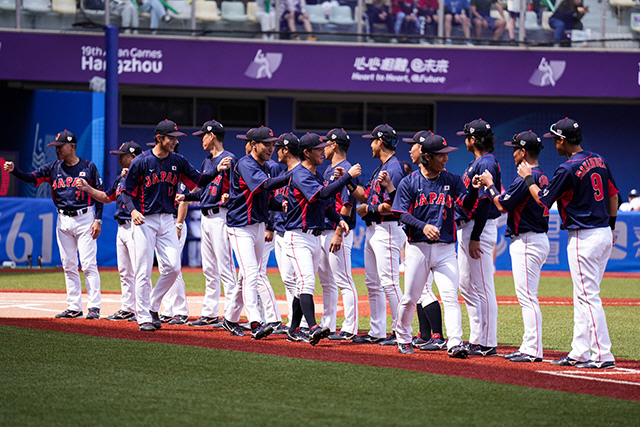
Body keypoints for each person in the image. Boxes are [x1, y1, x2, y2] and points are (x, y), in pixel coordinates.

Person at [517, 117, 618, 369]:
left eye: (556, 140)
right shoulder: (599, 159)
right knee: (582, 295)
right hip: (603, 231)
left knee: (588, 296)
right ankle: (580, 352)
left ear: (563, 140)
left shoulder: (568, 168)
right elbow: (614, 194)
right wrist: (612, 227)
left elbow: (543, 200)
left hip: (584, 236)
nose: (555, 145)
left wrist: (529, 179)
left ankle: (602, 354)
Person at [121, 119, 229, 332]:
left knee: (172, 267)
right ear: (159, 138)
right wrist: (133, 211)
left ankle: (152, 305)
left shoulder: (178, 161)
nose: (174, 141)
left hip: (167, 220)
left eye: (175, 138)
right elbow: (126, 192)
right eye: (171, 138)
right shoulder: (141, 162)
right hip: (145, 220)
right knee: (142, 270)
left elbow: (198, 180)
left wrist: (216, 170)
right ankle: (143, 317)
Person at [388, 133, 479, 357]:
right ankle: (403, 336)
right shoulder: (410, 182)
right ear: (427, 157)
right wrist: (423, 226)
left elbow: (467, 204)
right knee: (410, 297)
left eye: (446, 155)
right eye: (441, 155)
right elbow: (399, 212)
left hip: (446, 248)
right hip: (418, 247)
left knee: (450, 296)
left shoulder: (452, 180)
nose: (445, 159)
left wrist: (475, 189)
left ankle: (455, 342)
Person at [4, 130, 103, 319]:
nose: (57, 150)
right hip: (63, 219)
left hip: (85, 218)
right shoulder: (53, 168)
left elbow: (99, 194)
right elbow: (31, 177)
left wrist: (98, 219)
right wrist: (14, 170)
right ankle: (74, 307)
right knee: (68, 264)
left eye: (60, 146)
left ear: (72, 146)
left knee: (89, 264)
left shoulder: (88, 166)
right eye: (56, 147)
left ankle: (94, 307)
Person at [282, 132, 361, 346]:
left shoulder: (315, 174)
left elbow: (325, 207)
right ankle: (313, 326)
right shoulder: (299, 174)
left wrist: (338, 220)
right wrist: (347, 177)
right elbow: (322, 195)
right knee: (307, 281)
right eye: (318, 149)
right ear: (306, 152)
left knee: (303, 285)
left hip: (314, 236)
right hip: (298, 235)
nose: (322, 152)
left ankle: (293, 329)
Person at [478, 131, 549, 363]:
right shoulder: (542, 175)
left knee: (527, 297)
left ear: (523, 152)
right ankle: (529, 346)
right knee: (528, 296)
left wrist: (489, 186)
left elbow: (502, 205)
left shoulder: (525, 177)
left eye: (515, 149)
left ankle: (532, 349)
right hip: (536, 238)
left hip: (528, 239)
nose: (513, 153)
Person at [222, 126, 291, 340]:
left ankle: (230, 319)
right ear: (253, 145)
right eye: (266, 143)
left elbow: (265, 197)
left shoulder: (264, 166)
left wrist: (280, 204)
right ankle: (255, 322)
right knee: (252, 272)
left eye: (273, 144)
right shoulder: (245, 163)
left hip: (258, 225)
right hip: (240, 226)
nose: (271, 147)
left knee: (246, 275)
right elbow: (263, 186)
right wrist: (293, 174)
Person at [351, 124, 406, 346]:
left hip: (389, 228)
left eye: (373, 141)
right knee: (373, 282)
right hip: (375, 229)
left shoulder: (393, 168)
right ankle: (377, 331)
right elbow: (367, 198)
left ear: (380, 142)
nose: (371, 145)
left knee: (389, 282)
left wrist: (369, 210)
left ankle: (402, 331)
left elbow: (396, 205)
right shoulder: (383, 167)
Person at [76, 141, 143, 322]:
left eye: (122, 156)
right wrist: (88, 189)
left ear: (134, 158)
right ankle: (128, 308)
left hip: (137, 227)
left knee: (139, 271)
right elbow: (106, 197)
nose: (119, 159)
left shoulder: (143, 175)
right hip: (121, 227)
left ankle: (143, 311)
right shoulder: (120, 178)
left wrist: (133, 176)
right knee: (124, 271)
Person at [181, 120, 237, 328]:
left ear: (212, 136)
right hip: (206, 216)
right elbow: (203, 190)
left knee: (225, 267)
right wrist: (185, 197)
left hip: (221, 217)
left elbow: (237, 189)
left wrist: (228, 197)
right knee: (209, 268)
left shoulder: (229, 159)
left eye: (203, 136)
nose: (201, 140)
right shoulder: (207, 162)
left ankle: (230, 315)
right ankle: (210, 313)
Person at [455, 118, 502, 356]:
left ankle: (486, 342)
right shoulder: (479, 161)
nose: (464, 140)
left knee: (483, 286)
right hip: (468, 227)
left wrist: (475, 235)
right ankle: (476, 338)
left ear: (473, 139)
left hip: (478, 228)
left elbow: (484, 203)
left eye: (466, 136)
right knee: (465, 284)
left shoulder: (487, 163)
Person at [318, 128, 360, 341]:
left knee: (343, 280)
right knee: (327, 282)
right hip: (324, 230)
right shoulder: (329, 169)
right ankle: (328, 324)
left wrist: (337, 233)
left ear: (334, 145)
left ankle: (350, 328)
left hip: (338, 231)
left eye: (326, 143)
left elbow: (347, 205)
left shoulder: (345, 169)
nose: (323, 147)